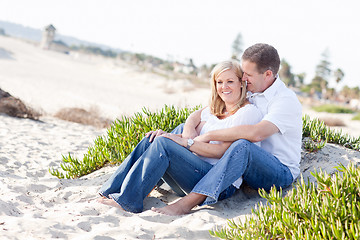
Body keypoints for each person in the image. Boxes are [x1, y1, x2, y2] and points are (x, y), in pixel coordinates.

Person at [152, 43, 302, 215]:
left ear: (268, 74)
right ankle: (152, 178)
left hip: (278, 171)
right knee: (175, 133)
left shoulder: (285, 100)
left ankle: (186, 204)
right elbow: (203, 113)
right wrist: (188, 130)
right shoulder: (253, 90)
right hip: (246, 167)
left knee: (242, 145)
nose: (243, 78)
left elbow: (257, 133)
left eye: (248, 74)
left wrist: (209, 135)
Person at [97, 60, 262, 214]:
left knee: (163, 143)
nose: (224, 87)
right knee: (152, 138)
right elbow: (194, 116)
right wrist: (188, 130)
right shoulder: (219, 107)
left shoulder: (247, 112)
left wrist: (185, 142)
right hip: (191, 173)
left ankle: (127, 201)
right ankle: (110, 191)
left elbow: (221, 152)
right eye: (219, 82)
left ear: (241, 82)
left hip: (216, 184)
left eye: (230, 81)